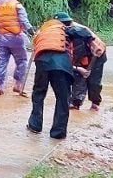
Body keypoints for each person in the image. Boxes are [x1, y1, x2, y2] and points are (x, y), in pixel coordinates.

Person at [26, 12, 86, 140]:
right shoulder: (65, 29)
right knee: (63, 98)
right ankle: (58, 133)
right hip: (60, 64)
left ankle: (34, 125)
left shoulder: (43, 30)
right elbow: (83, 33)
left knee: (38, 93)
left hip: (42, 60)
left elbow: (35, 44)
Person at [55, 13, 108, 111]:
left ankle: (95, 103)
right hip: (80, 57)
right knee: (78, 77)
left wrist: (79, 68)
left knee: (93, 80)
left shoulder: (78, 32)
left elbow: (76, 56)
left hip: (97, 55)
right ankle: (76, 103)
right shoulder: (60, 33)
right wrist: (78, 68)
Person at [0, 0, 35, 96]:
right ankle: (18, 84)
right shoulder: (17, 5)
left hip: (1, 37)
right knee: (22, 61)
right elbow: (24, 21)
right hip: (16, 38)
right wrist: (31, 32)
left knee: (1, 62)